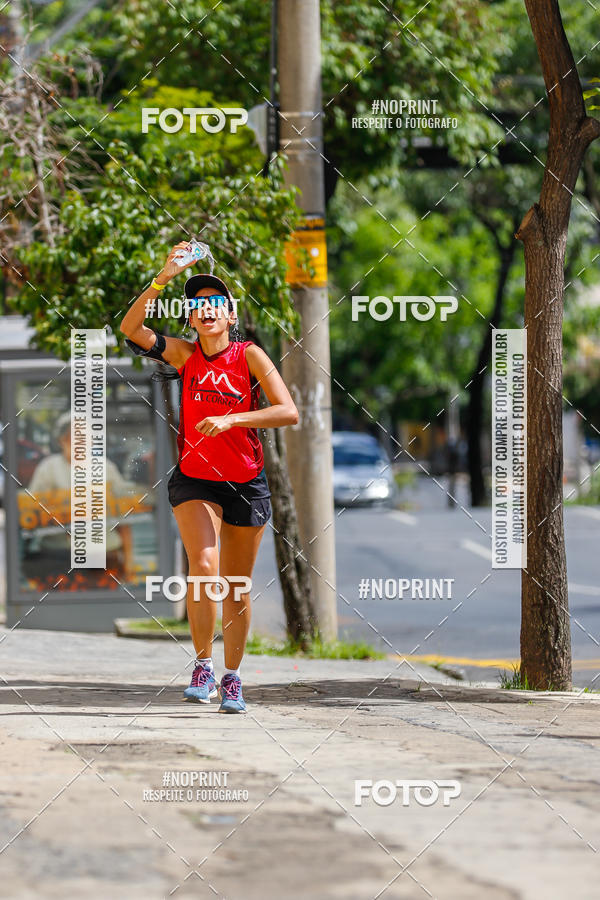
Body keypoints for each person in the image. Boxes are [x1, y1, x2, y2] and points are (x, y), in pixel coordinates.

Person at [120, 242, 298, 713]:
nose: (207, 310)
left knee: (236, 584)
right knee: (203, 569)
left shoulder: (250, 356)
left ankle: (233, 678)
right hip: (196, 478)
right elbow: (130, 328)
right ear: (192, 317)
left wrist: (233, 420)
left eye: (215, 303)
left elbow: (288, 411)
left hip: (245, 481)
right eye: (198, 305)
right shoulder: (183, 356)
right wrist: (162, 276)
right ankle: (202, 664)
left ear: (230, 313)